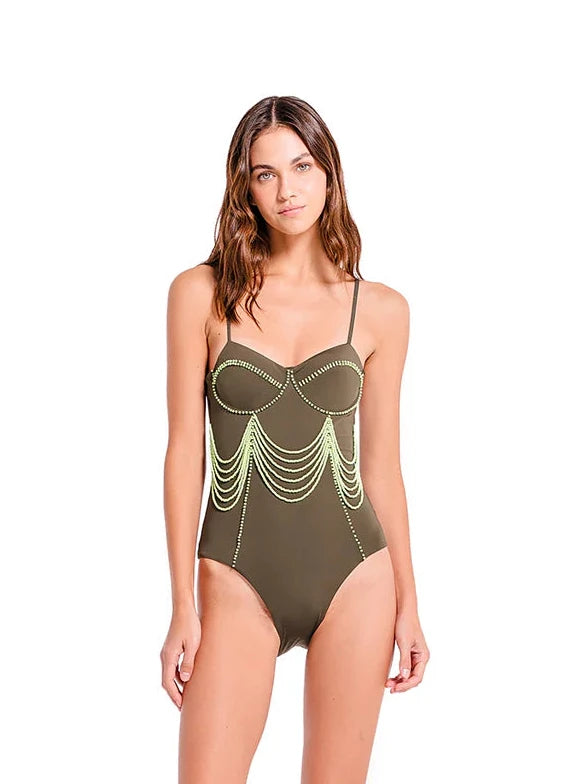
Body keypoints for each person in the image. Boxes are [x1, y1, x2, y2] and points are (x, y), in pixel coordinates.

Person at [161, 95, 430, 783]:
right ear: (245, 187)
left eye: (302, 166)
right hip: (234, 578)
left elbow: (383, 470)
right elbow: (185, 452)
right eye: (266, 173)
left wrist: (409, 604)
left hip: (356, 576)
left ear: (329, 172)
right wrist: (182, 605)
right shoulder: (200, 294)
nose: (287, 189)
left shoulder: (382, 310)